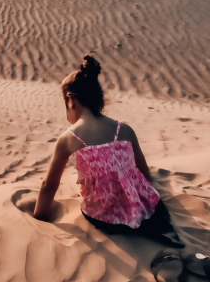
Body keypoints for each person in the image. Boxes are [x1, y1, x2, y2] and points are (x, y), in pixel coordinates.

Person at [33, 54, 183, 249]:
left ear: (70, 101)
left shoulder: (68, 139)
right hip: (142, 208)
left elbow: (48, 185)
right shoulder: (125, 130)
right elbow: (145, 174)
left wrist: (38, 218)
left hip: (103, 216)